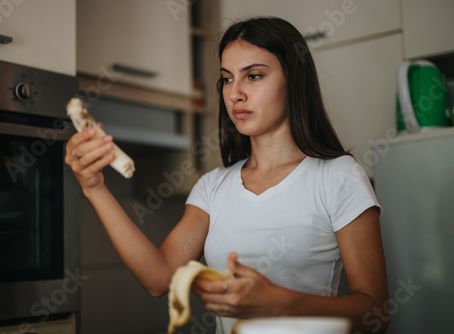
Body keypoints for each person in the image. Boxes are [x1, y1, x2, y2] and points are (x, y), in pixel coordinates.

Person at [65, 16, 388, 334]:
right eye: (228, 79)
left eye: (254, 76)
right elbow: (158, 279)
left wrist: (280, 302)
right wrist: (95, 189)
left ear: (294, 80)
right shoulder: (213, 186)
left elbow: (375, 312)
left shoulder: (337, 177)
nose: (235, 94)